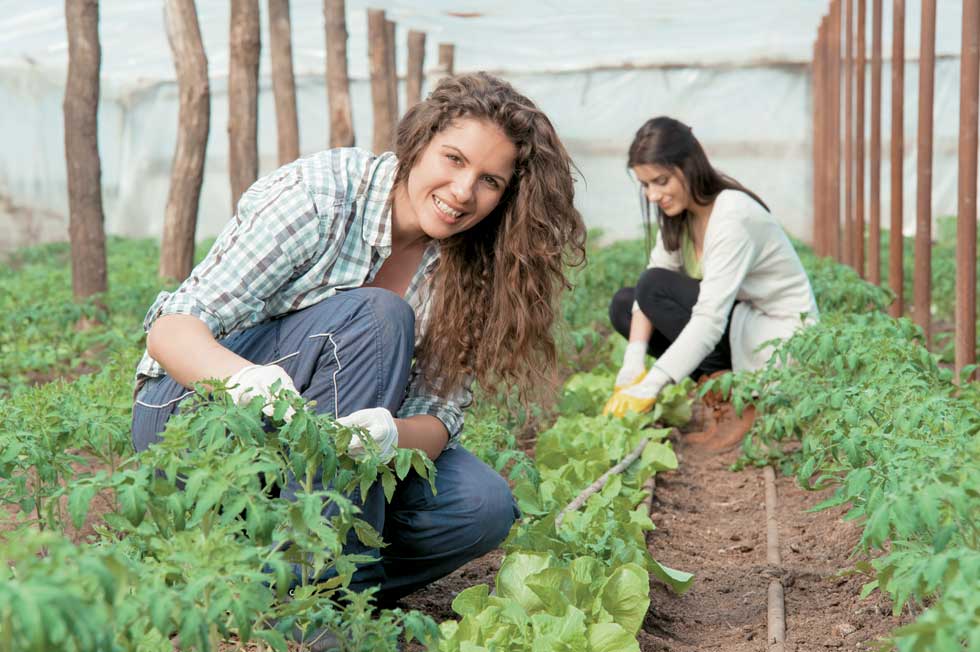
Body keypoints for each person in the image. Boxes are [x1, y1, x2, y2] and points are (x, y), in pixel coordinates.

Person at [132, 72, 586, 605]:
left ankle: (268, 583)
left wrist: (389, 434)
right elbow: (172, 327)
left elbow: (439, 414)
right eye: (454, 159)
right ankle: (331, 603)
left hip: (317, 453)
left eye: (491, 181)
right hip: (196, 419)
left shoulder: (476, 266)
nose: (463, 192)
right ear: (419, 142)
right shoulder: (322, 195)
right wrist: (245, 380)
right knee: (378, 317)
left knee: (481, 506)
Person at [604, 116, 818, 417]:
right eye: (645, 185)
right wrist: (634, 361)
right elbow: (647, 289)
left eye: (661, 181)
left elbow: (709, 318)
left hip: (777, 340)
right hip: (739, 327)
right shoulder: (681, 216)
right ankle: (716, 387)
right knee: (625, 305)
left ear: (688, 166)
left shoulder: (732, 214)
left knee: (654, 286)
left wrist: (653, 383)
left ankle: (735, 401)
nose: (653, 195)